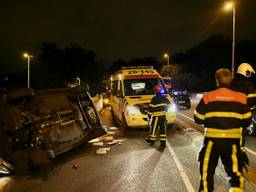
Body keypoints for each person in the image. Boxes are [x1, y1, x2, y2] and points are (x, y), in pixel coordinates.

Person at [194, 68, 251, 192]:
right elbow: (247, 120)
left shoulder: (208, 97)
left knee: (206, 173)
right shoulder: (241, 97)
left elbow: (197, 118)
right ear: (230, 80)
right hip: (232, 143)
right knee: (235, 174)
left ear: (217, 81)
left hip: (211, 142)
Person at [230, 63, 256, 146]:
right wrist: (251, 110)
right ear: (247, 72)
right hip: (240, 115)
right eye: (250, 73)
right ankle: (239, 152)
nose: (250, 75)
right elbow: (252, 101)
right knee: (240, 136)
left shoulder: (231, 83)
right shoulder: (248, 85)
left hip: (229, 114)